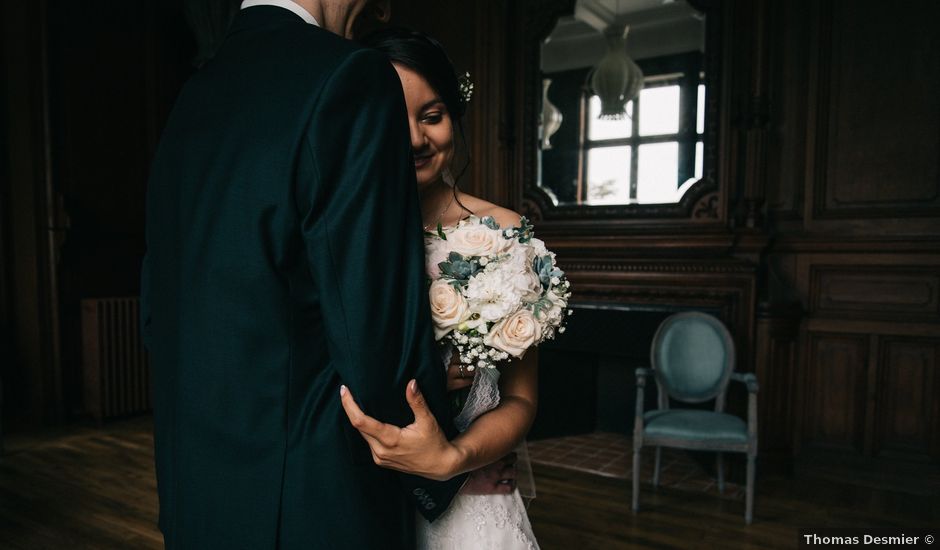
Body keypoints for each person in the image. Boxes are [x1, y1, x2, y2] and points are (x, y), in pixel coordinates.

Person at [141, 1, 472, 548]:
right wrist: (444, 468)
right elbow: (371, 320)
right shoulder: (349, 75)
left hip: (196, 490)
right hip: (311, 497)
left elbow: (158, 307)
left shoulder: (193, 92)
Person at [340, 28, 541, 550]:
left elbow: (520, 397)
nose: (414, 139)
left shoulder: (502, 235)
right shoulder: (342, 238)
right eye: (391, 119)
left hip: (469, 500)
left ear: (456, 115)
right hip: (360, 496)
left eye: (432, 116)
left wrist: (455, 459)